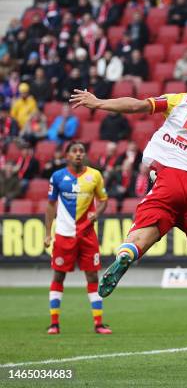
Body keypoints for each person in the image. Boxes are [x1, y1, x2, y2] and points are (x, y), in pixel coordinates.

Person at [68, 65, 187, 376]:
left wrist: (99, 103)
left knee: (141, 235)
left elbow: (138, 105)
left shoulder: (180, 99)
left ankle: (126, 255)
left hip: (167, 179)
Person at [44, 141, 111, 335]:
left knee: (92, 276)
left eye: (81, 151)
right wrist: (48, 233)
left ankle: (98, 323)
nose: (79, 154)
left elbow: (104, 201)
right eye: (74, 151)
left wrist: (97, 213)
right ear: (67, 156)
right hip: (64, 234)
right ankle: (54, 323)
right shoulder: (57, 177)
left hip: (87, 234)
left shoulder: (95, 175)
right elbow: (50, 205)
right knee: (58, 274)